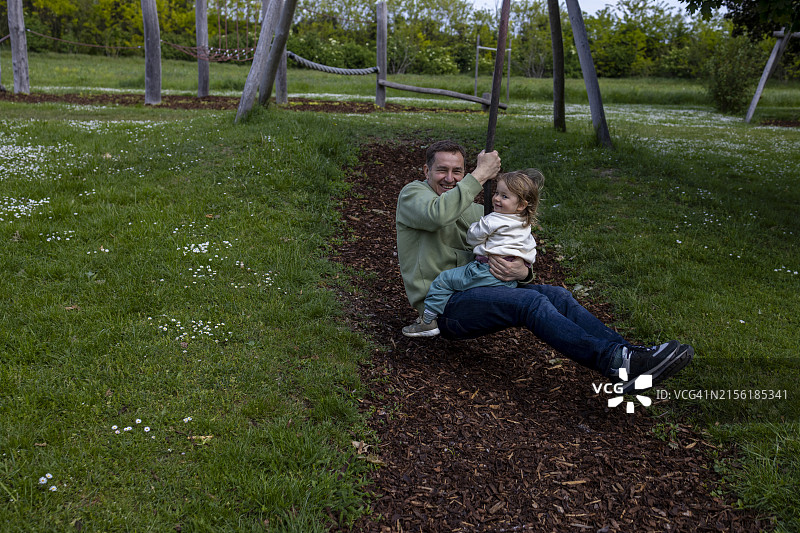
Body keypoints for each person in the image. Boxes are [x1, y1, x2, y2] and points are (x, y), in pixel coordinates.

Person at [395, 140, 693, 393]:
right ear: (426, 171)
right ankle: (614, 363)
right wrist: (480, 174)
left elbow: (510, 240)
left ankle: (630, 355)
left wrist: (523, 272)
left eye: (457, 171)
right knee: (530, 303)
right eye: (442, 170)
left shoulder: (474, 208)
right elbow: (437, 216)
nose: (451, 178)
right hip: (444, 306)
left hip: (478, 287)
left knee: (558, 295)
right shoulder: (414, 196)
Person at [402, 168, 543, 338]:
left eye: (504, 196)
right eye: (497, 193)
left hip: (484, 270)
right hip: (507, 280)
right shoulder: (523, 223)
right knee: (547, 299)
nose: (496, 199)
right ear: (427, 170)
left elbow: (473, 237)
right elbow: (531, 250)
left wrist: (523, 272)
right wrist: (525, 266)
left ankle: (428, 321)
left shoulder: (493, 218)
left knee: (443, 280)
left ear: (521, 205)